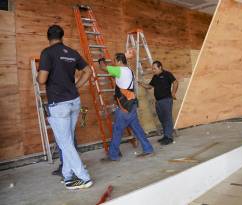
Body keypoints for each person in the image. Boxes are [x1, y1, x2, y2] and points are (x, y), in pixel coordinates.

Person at [37, 25, 93, 190]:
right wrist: (77, 86)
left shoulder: (47, 53)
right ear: (62, 36)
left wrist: (37, 75)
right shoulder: (72, 53)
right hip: (74, 101)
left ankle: (84, 177)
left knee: (65, 143)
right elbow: (88, 71)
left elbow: (41, 80)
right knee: (67, 140)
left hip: (59, 104)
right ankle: (68, 176)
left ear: (48, 37)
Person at [98, 53, 154, 161]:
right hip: (131, 104)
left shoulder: (119, 70)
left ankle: (113, 155)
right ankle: (148, 148)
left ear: (119, 61)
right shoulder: (129, 71)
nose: (113, 62)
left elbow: (103, 67)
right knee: (137, 128)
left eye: (114, 60)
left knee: (117, 129)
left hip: (125, 107)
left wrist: (101, 59)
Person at [138, 61, 178, 145]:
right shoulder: (155, 77)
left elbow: (175, 82)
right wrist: (141, 83)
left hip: (166, 100)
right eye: (152, 68)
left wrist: (173, 93)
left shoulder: (167, 74)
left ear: (160, 67)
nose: (153, 70)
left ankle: (169, 137)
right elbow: (149, 86)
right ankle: (166, 135)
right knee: (162, 119)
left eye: (154, 68)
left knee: (167, 118)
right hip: (158, 101)